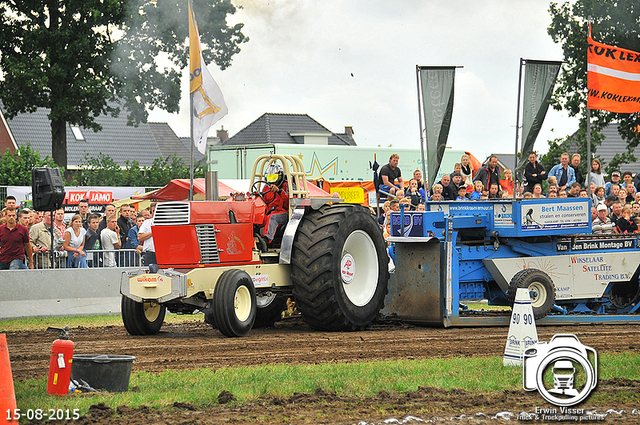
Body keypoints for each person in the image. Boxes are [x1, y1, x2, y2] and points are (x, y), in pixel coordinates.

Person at [260, 163, 290, 243]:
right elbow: (262, 202)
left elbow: (291, 200)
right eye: (269, 177)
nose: (272, 181)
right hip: (269, 213)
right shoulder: (266, 188)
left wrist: (279, 192)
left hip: (284, 213)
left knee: (272, 218)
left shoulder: (288, 185)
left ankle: (266, 240)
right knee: (257, 219)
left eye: (274, 177)